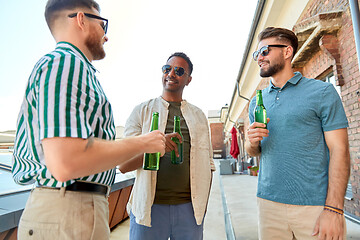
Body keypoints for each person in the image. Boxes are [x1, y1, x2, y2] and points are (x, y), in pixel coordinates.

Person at [12, 0, 165, 239]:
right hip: (68, 213)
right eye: (103, 24)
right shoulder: (64, 64)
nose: (106, 35)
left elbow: (87, 158)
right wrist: (144, 142)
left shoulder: (74, 69)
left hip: (76, 210)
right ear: (81, 19)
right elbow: (66, 162)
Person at [246, 27, 350, 240]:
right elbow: (255, 151)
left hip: (314, 206)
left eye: (264, 51)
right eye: (257, 54)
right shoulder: (257, 101)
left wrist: (334, 209)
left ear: (287, 52)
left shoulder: (321, 92)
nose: (259, 58)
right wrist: (251, 142)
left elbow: (340, 150)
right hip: (268, 205)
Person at [120, 52, 215, 240]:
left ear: (188, 79)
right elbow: (123, 165)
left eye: (179, 71)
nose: (171, 74)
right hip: (149, 208)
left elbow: (209, 165)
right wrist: (155, 149)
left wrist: (202, 206)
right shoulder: (142, 111)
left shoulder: (199, 116)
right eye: (167, 69)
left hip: (190, 210)